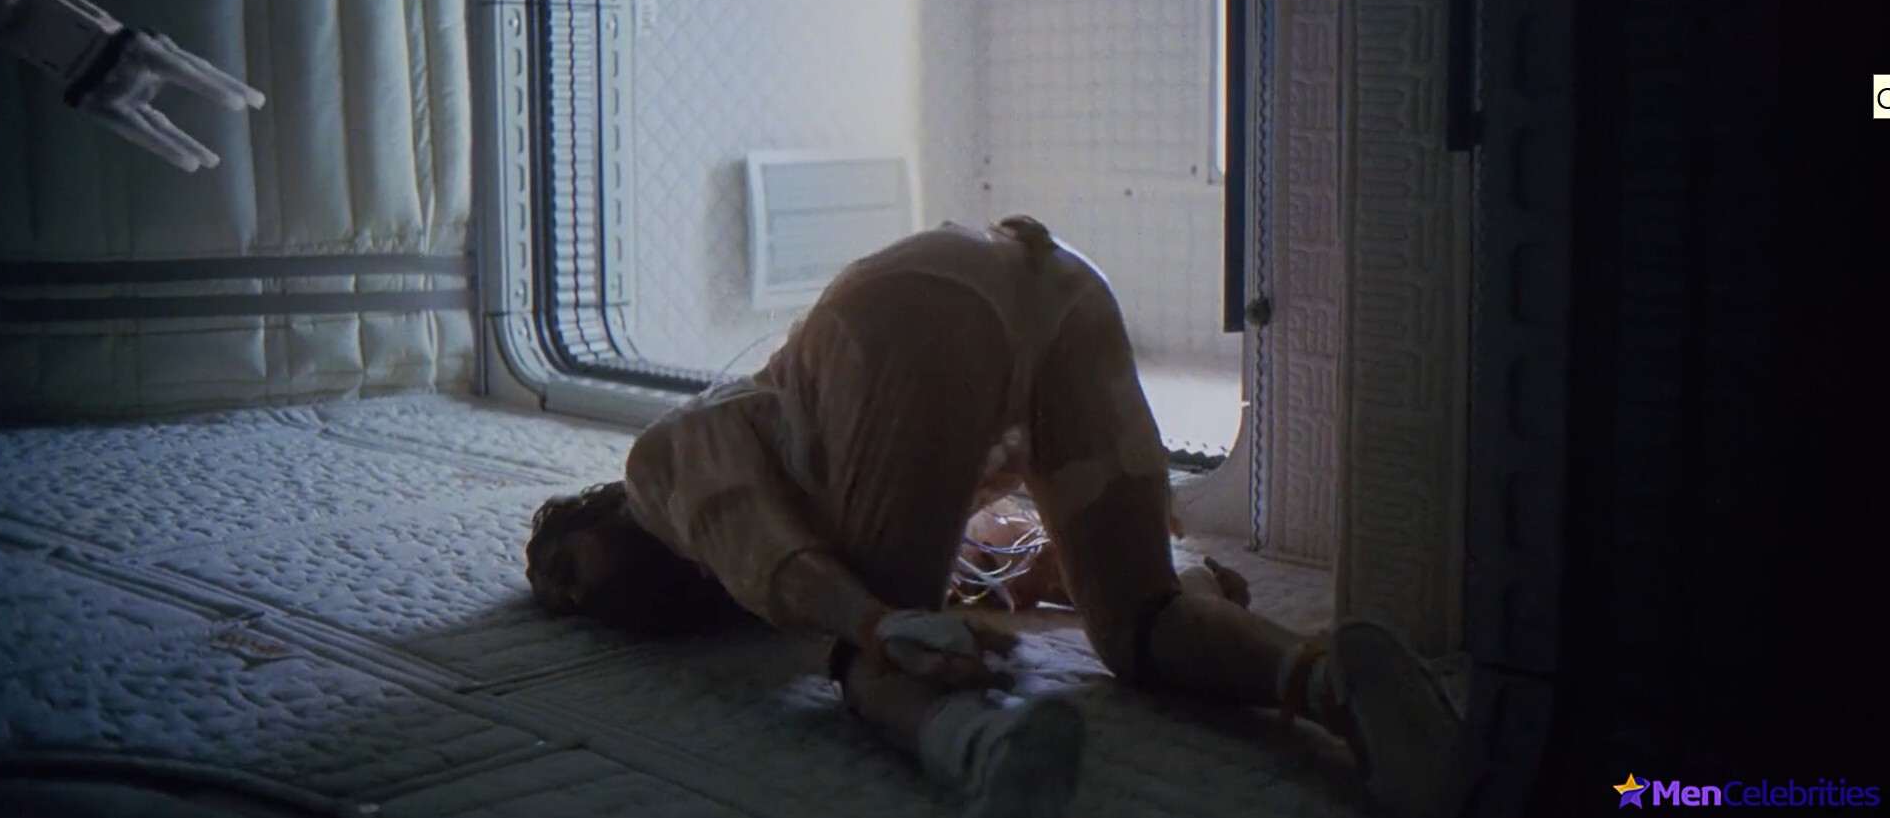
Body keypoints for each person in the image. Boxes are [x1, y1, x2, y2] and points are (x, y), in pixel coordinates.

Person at [523, 215, 1462, 818]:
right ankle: (1335, 681)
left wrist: (870, 622)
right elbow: (994, 554)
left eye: (561, 564)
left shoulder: (657, 466)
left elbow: (766, 547)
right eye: (566, 599)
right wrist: (1127, 568)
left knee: (865, 657)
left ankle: (978, 746)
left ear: (600, 510)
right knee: (1139, 620)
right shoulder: (835, 497)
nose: (571, 593)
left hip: (902, 323)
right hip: (1053, 284)